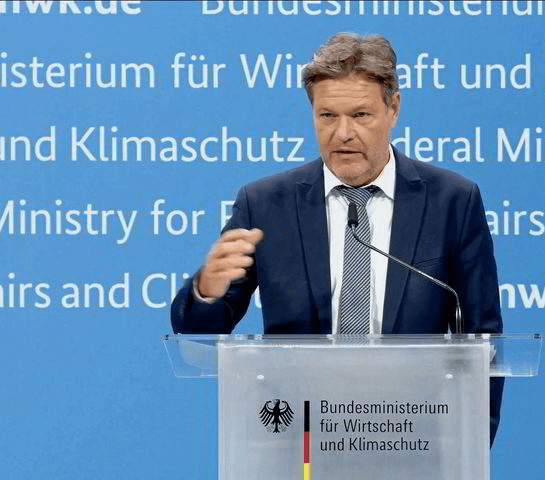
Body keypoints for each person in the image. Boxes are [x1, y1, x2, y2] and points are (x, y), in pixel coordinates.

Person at [171, 32, 504, 445]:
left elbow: (485, 339)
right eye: (327, 115)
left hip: (416, 438)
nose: (342, 133)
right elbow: (199, 334)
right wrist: (207, 290)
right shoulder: (265, 205)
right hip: (298, 442)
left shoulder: (452, 201)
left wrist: (471, 445)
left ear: (393, 109)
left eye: (360, 115)